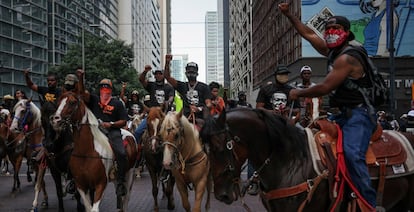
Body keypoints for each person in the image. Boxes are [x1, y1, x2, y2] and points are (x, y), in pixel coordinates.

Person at [279, 3, 377, 209]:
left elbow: (324, 87)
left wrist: (298, 92)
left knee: (352, 154)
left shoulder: (349, 57)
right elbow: (307, 33)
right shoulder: (332, 51)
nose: (331, 33)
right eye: (328, 29)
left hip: (360, 114)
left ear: (347, 33)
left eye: (336, 29)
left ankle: (369, 203)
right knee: (309, 138)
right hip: (340, 114)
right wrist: (289, 15)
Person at [81, 76, 129, 197]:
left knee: (122, 153)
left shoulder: (117, 103)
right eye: (102, 87)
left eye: (107, 87)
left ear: (111, 90)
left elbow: (124, 121)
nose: (104, 89)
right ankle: (73, 178)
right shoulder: (94, 99)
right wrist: (81, 78)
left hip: (112, 131)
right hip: (95, 130)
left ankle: (120, 181)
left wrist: (111, 124)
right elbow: (82, 93)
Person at [164, 55, 212, 123]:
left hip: (200, 118)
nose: (191, 74)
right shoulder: (182, 86)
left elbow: (209, 104)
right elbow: (167, 77)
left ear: (197, 73)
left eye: (193, 72)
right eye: (189, 72)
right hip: (185, 118)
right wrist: (167, 63)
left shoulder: (204, 87)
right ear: (186, 73)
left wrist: (199, 108)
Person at [133, 64, 174, 143]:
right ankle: (137, 153)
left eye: (160, 74)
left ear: (163, 76)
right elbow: (141, 80)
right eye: (156, 74)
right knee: (137, 132)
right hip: (152, 115)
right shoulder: (151, 85)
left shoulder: (169, 87)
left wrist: (167, 102)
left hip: (164, 115)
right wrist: (145, 71)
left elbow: (171, 97)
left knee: (174, 133)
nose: (158, 75)